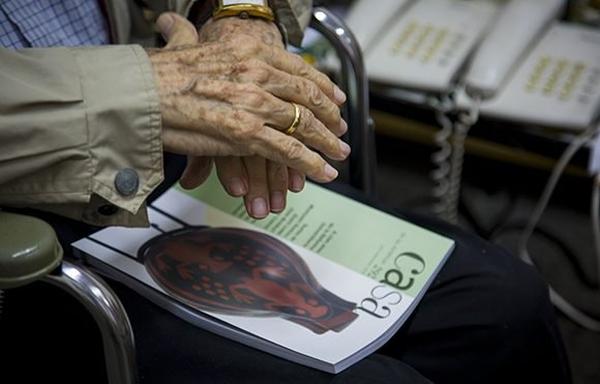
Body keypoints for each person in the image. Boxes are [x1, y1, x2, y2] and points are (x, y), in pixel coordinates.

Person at [0, 1, 571, 383]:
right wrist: (143, 93)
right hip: (28, 222)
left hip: (168, 145)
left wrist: (242, 14)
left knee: (507, 304)